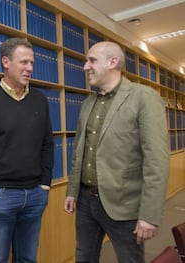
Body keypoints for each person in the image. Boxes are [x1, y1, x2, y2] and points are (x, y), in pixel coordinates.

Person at [64, 41, 169, 263]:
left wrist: (149, 215)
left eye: (91, 60)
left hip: (124, 205)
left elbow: (156, 161)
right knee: (84, 257)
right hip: (85, 201)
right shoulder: (87, 103)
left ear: (113, 62)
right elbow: (80, 151)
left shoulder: (144, 97)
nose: (85, 67)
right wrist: (72, 190)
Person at [0, 37, 54, 263]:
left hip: (35, 194)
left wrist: (45, 184)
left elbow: (47, 144)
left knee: (27, 258)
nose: (30, 68)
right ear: (6, 62)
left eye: (32, 63)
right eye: (24, 62)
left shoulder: (40, 100)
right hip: (0, 196)